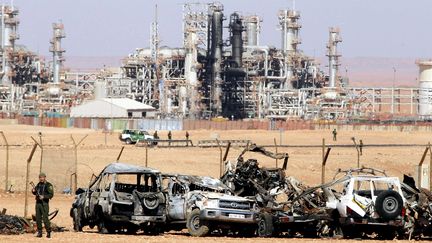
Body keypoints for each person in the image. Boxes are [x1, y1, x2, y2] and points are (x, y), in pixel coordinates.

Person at [32, 172, 54, 238]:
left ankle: (48, 232)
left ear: (45, 177)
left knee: (45, 219)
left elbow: (51, 195)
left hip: (44, 204)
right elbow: (36, 192)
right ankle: (39, 232)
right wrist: (33, 191)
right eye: (40, 177)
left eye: (42, 177)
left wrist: (44, 197)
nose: (41, 179)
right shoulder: (38, 184)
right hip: (38, 203)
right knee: (38, 218)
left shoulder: (48, 185)